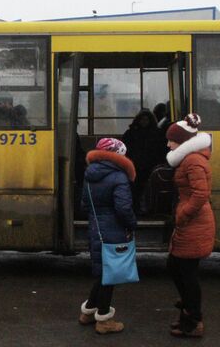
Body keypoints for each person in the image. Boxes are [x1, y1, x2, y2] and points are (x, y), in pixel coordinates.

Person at [78, 138, 136, 335]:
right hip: (114, 229)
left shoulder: (89, 175)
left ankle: (87, 313)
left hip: (96, 228)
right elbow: (123, 208)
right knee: (110, 275)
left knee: (104, 271)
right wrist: (132, 224)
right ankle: (103, 320)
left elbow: (84, 205)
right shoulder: (119, 177)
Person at [165, 113, 214, 338]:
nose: (168, 144)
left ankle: (193, 320)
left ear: (183, 142)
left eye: (171, 140)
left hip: (194, 222)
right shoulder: (189, 158)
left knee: (186, 272)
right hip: (191, 222)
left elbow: (200, 193)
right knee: (178, 268)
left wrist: (183, 215)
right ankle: (188, 311)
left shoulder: (193, 160)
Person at [122, 109, 167, 211]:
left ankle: (146, 208)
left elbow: (160, 150)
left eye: (146, 119)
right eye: (142, 119)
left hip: (149, 166)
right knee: (136, 189)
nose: (144, 122)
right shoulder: (132, 133)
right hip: (137, 165)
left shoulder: (155, 134)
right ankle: (138, 208)